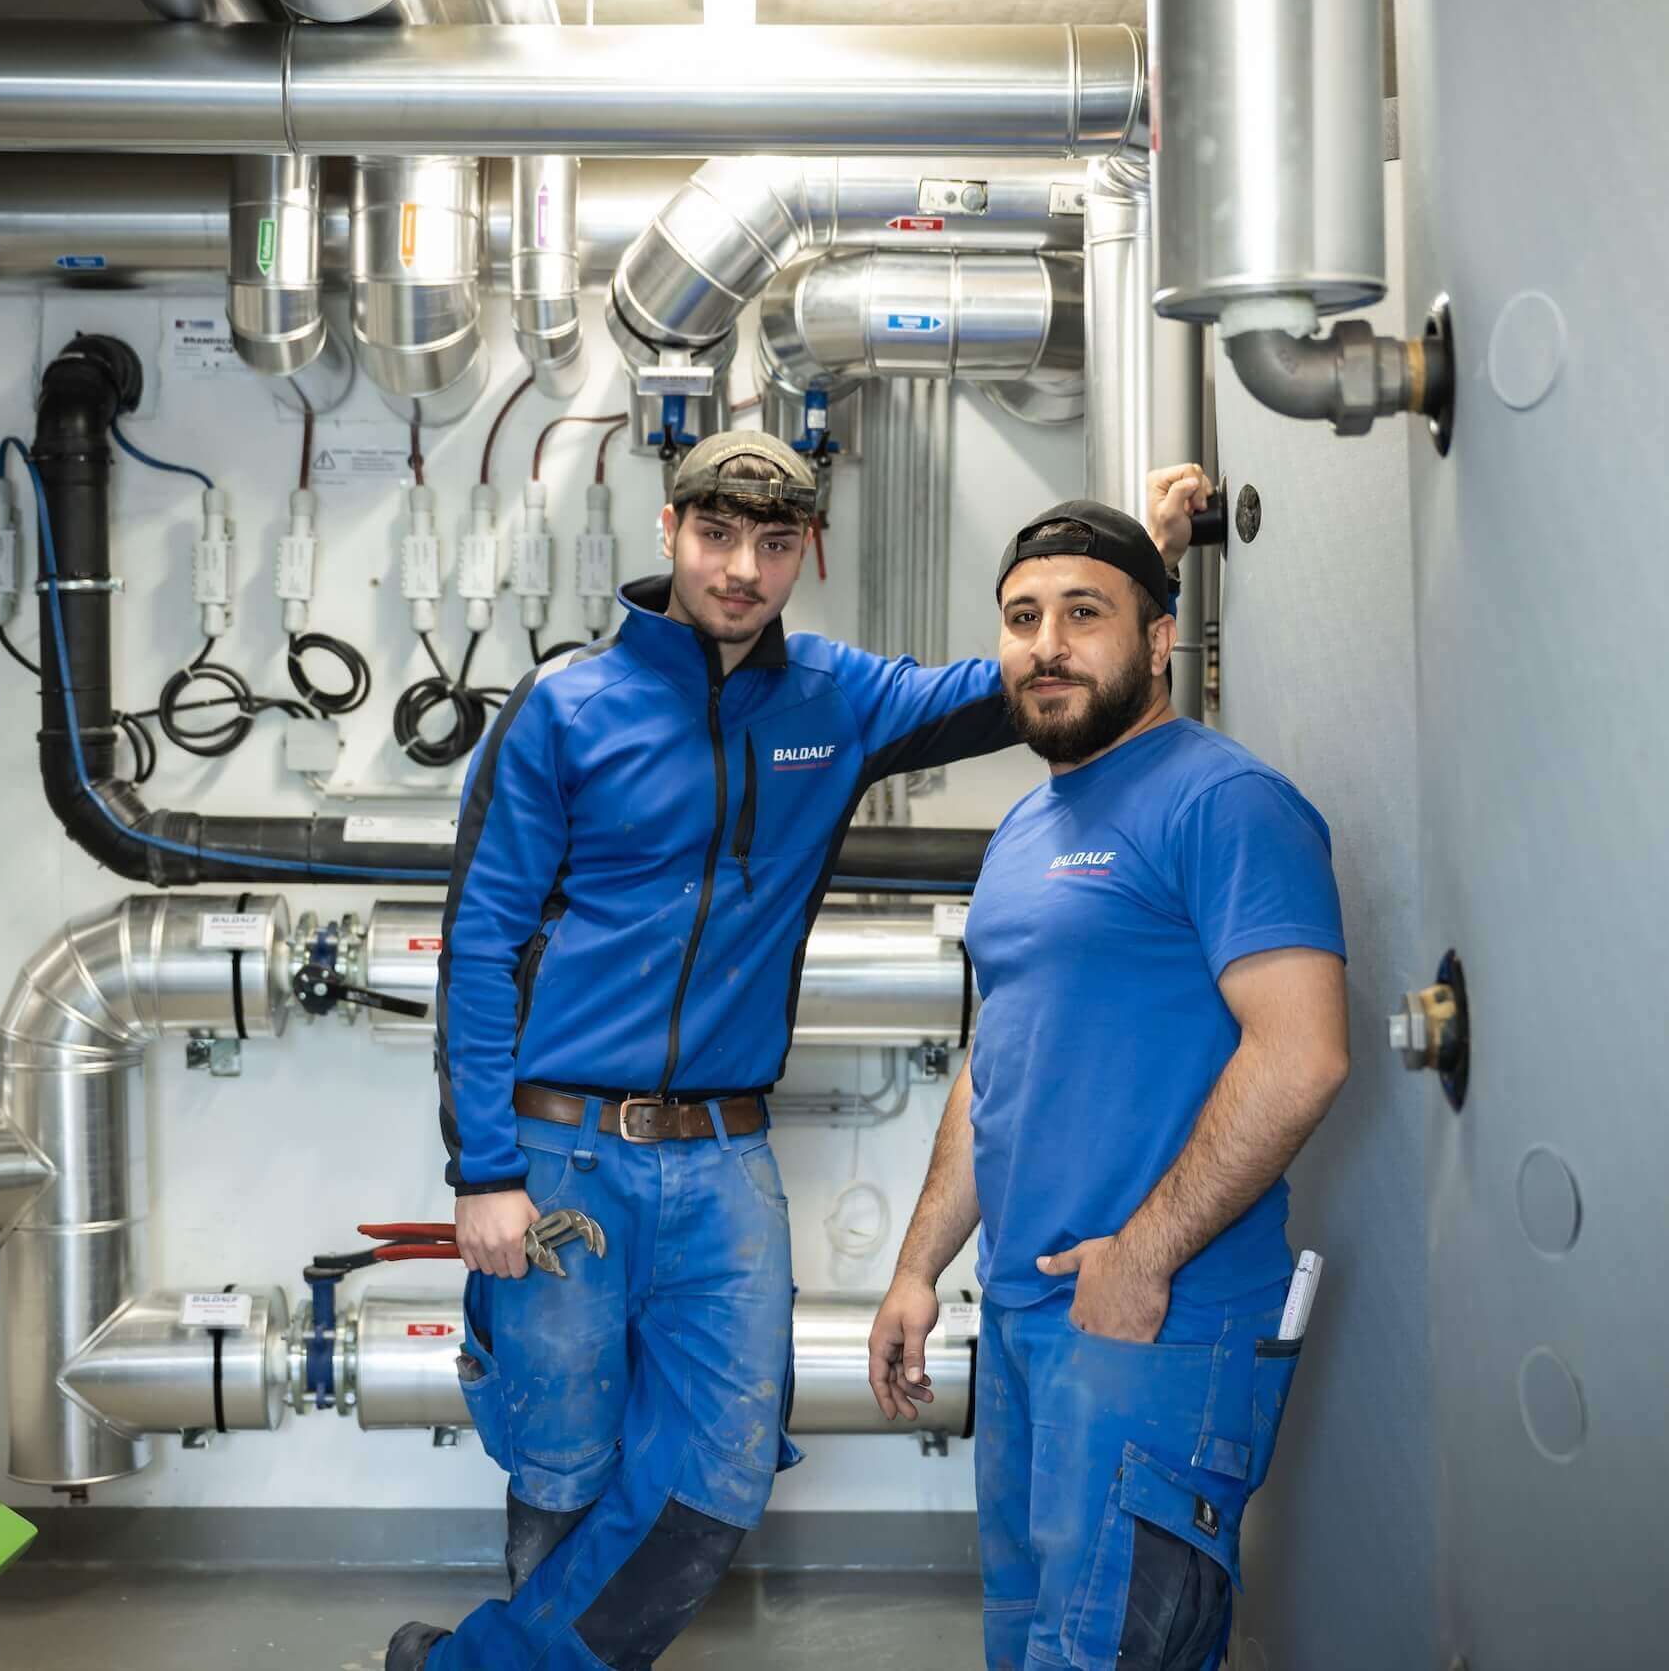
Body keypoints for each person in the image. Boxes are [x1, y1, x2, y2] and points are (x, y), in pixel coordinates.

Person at [390, 438, 1207, 1670]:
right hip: (560, 1160)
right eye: (718, 537)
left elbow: (1023, 684)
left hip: (726, 1162)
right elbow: (480, 940)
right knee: (565, 1461)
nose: (743, 570)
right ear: (669, 531)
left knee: (719, 1474)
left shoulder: (834, 699)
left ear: (803, 554)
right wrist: (484, 1172)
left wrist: (1143, 556)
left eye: (775, 546)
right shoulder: (565, 710)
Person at [867, 500, 1350, 1671]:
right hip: (1031, 1319)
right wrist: (917, 1268)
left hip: (1159, 1323)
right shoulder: (1024, 827)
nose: (1047, 643)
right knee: (1029, 1647)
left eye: (1084, 614)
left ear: (1160, 636)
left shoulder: (1224, 802)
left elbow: (1302, 1053)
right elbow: (995, 1068)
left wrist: (1142, 1257)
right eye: (1023, 618)